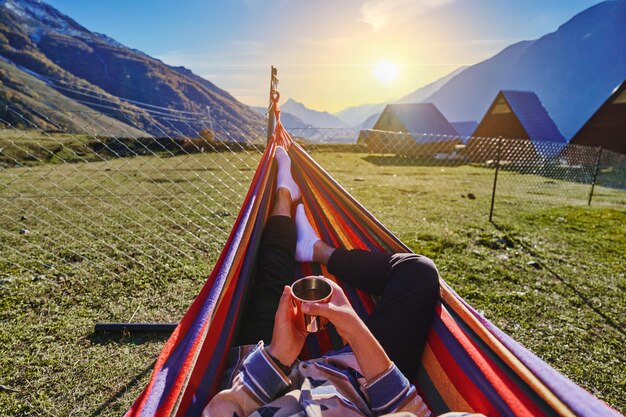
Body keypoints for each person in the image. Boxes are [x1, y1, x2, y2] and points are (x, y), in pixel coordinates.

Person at [202, 146, 447, 417]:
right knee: (417, 272)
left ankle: (284, 195)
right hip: (357, 385)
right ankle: (318, 250)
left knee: (272, 283)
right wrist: (356, 332)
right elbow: (407, 411)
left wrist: (276, 357)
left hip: (257, 391)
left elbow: (221, 409)